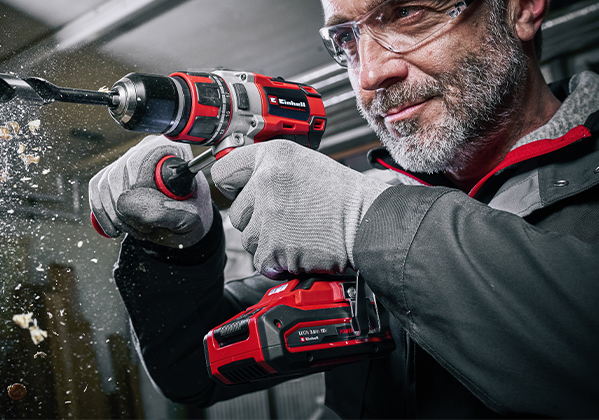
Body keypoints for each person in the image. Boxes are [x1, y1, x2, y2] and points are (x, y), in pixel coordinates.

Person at [89, 0, 599, 417]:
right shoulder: (363, 211)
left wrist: (371, 221)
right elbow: (192, 372)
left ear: (521, 8)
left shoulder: (362, 214)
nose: (370, 73)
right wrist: (178, 251)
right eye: (346, 40)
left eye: (406, 14)